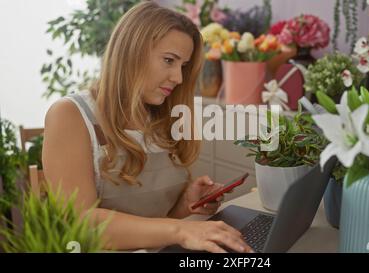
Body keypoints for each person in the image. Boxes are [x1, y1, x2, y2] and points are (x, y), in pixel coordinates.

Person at [42, 1, 252, 253]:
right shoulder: (70, 114)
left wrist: (185, 204)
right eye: (169, 60)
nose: (178, 78)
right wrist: (181, 230)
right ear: (131, 52)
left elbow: (159, 222)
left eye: (183, 66)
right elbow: (80, 224)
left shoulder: (163, 116)